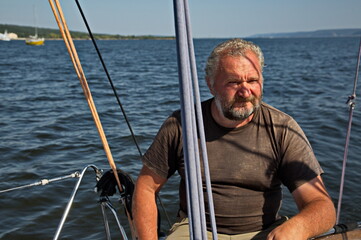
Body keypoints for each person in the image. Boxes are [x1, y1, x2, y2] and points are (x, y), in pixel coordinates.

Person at [132, 38, 336, 240]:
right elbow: (146, 188)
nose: (245, 92)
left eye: (253, 80)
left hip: (264, 232)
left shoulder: (282, 128)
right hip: (196, 230)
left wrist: (297, 228)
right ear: (211, 85)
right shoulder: (182, 124)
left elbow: (321, 205)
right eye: (234, 82)